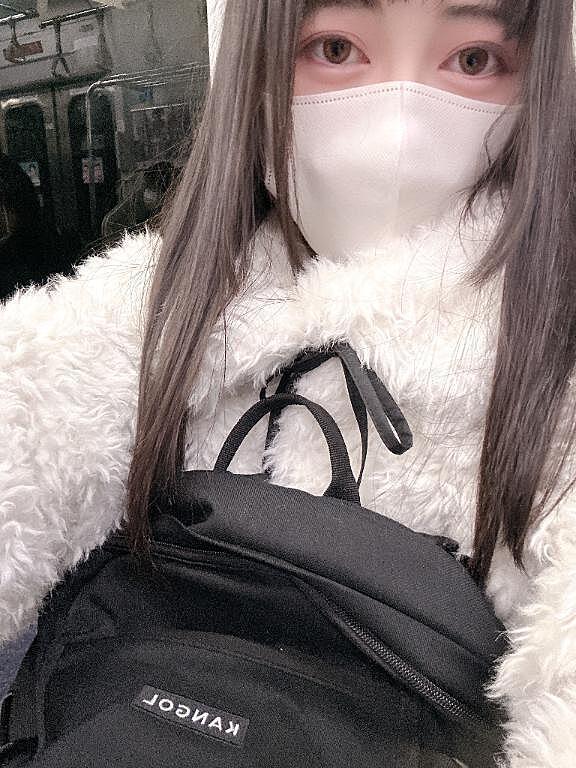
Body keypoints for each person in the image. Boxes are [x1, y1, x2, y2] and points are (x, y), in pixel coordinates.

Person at [0, 1, 575, 765]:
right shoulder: (152, 315)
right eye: (333, 48)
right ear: (255, 72)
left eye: (474, 61)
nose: (398, 128)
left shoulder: (553, 373)